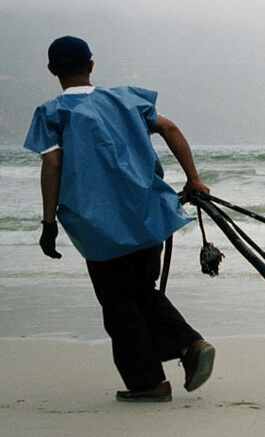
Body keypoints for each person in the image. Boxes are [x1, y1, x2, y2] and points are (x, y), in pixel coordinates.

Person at [23, 36, 214, 403]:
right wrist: (193, 178)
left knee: (119, 304)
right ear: (91, 65)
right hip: (147, 216)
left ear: (51, 70)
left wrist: (49, 225)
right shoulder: (126, 98)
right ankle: (189, 346)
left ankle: (150, 381)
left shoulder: (52, 112)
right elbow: (170, 128)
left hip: (99, 227)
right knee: (141, 291)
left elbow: (52, 163)